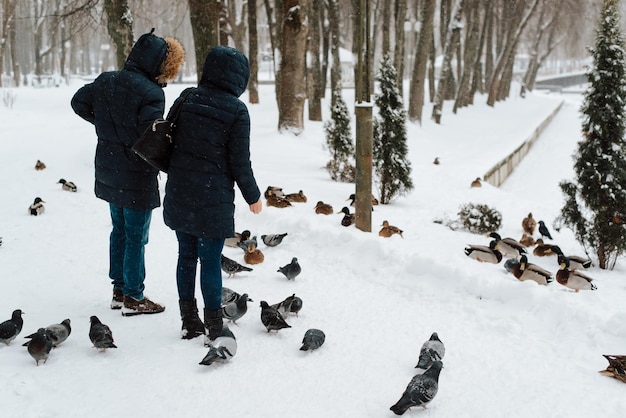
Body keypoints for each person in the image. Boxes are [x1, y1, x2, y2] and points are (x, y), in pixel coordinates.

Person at [71, 29, 185, 316]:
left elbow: (78, 102)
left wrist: (106, 127)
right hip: (135, 173)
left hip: (109, 168)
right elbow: (150, 134)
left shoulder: (106, 80)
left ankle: (119, 289)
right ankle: (134, 297)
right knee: (136, 235)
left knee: (119, 230)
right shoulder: (151, 92)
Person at [162, 46, 262, 344]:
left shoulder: (187, 97)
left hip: (180, 191)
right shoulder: (236, 110)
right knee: (210, 259)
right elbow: (239, 161)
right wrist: (253, 195)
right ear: (239, 78)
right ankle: (215, 326)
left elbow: (168, 136)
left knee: (186, 257)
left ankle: (189, 321)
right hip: (212, 198)